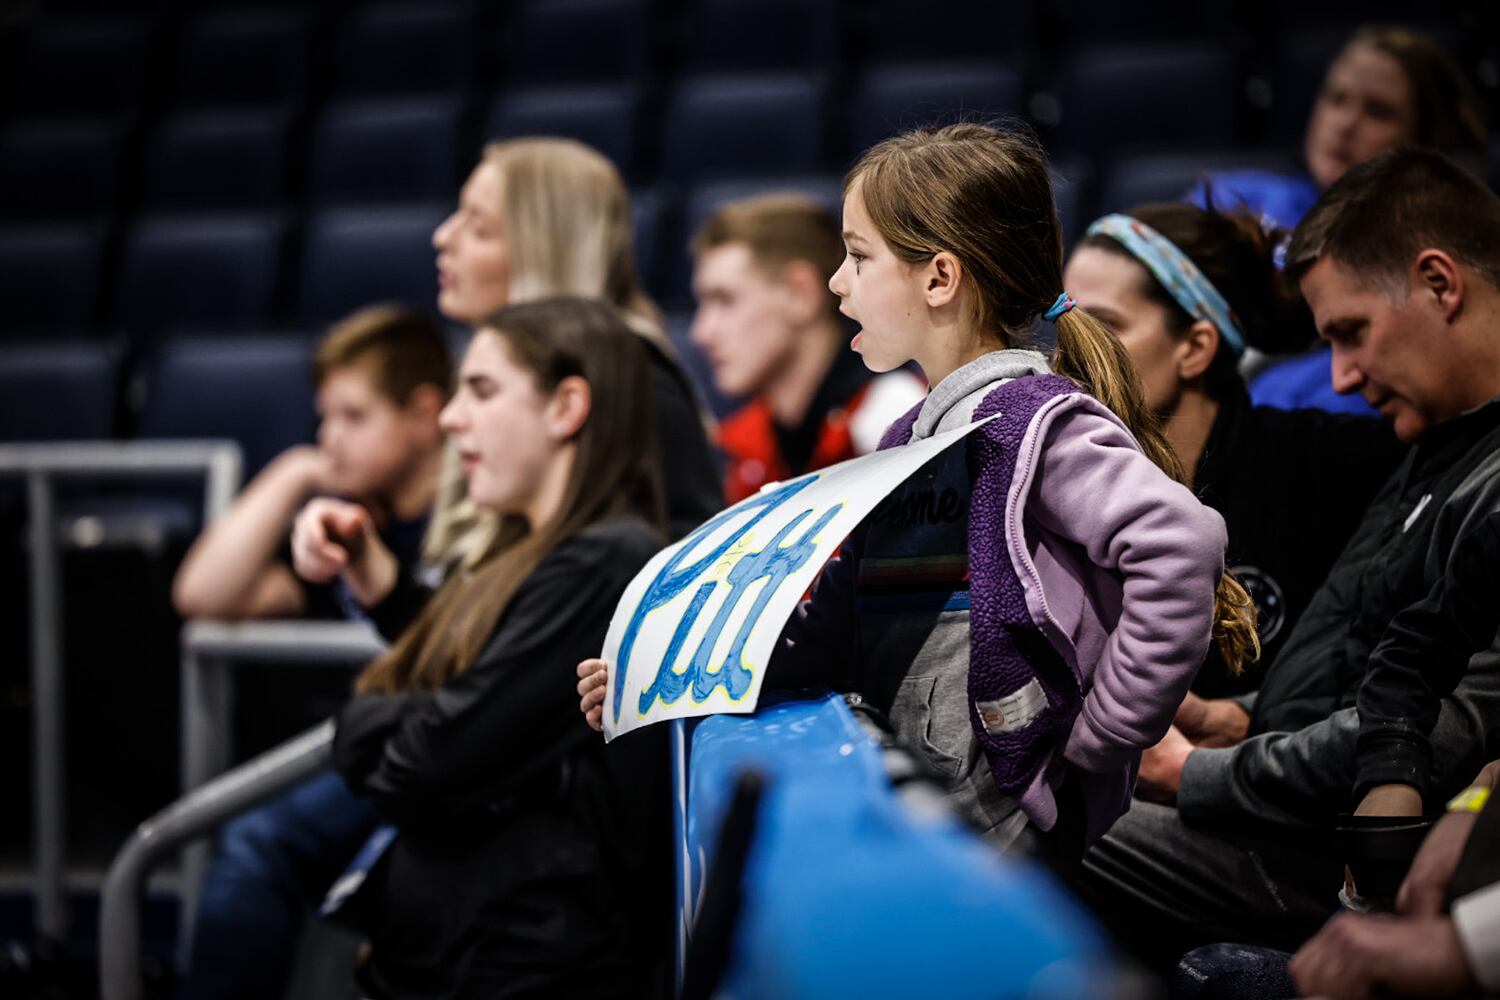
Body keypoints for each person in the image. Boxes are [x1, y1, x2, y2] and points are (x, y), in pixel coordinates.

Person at [582, 123, 1252, 866]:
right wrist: (665, 678)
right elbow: (833, 625)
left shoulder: (1037, 422)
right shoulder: (907, 437)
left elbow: (1181, 544)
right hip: (933, 813)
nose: (838, 280)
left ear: (939, 277)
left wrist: (1109, 734)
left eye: (859, 257)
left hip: (1012, 832)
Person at [181, 137, 715, 999]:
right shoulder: (545, 459)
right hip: (503, 838)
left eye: (474, 223)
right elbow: (511, 636)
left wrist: (380, 719)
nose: (440, 238)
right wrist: (385, 593)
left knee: (263, 846)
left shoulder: (620, 423)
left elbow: (544, 652)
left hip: (543, 872)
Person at [1077, 148, 1500, 964]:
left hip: (1348, 850)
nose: (1338, 377)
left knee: (1048, 818)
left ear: (1441, 284)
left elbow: (1444, 729)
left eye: (1351, 334)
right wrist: (1236, 719)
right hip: (1295, 803)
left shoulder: (1419, 460)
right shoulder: (1436, 444)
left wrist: (1190, 774)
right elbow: (1375, 666)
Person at [315, 298, 670, 998]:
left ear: (565, 407)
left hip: (515, 967)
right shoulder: (530, 548)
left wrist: (366, 722)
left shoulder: (602, 562)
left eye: (480, 390)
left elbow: (419, 767)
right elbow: (453, 688)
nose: (450, 419)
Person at [1064, 203, 1404, 692]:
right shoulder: (1054, 479)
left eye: (1104, 327)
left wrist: (1253, 726)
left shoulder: (1327, 463)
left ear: (1196, 347)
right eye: (1066, 323)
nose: (1070, 352)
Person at [432, 137, 720, 541]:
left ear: (542, 251)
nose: (443, 237)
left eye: (478, 228)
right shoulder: (500, 368)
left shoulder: (637, 380)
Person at [1191, 25, 1487, 417]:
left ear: (1426, 138)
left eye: (1378, 111)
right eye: (1336, 98)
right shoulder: (1237, 196)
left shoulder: (1423, 259)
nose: (1345, 123)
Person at [171, 304, 450, 621]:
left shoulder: (473, 521)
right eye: (325, 417)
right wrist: (294, 471)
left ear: (424, 415)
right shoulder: (340, 528)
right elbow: (201, 595)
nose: (328, 436)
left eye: (354, 416)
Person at [689, 193, 925, 502]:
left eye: (725, 300)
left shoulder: (898, 423)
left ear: (800, 294)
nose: (701, 332)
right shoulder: (747, 452)